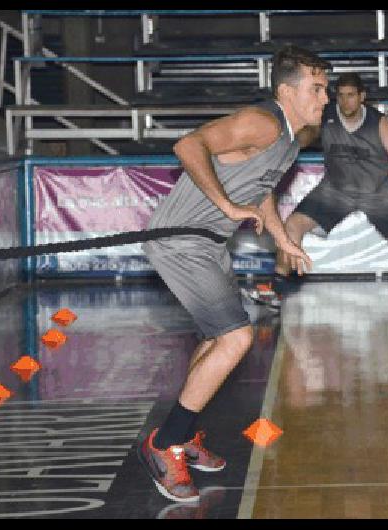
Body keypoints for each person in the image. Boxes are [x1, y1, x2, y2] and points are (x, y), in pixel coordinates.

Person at [138, 45, 330, 502]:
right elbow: (188, 145)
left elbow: (260, 188)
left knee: (215, 338)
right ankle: (164, 445)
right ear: (287, 90)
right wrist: (226, 205)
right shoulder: (263, 122)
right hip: (181, 239)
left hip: (208, 243)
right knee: (236, 338)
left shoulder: (288, 138)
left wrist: (282, 238)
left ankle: (181, 433)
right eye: (316, 89)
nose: (324, 98)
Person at [251, 72, 388, 309]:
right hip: (336, 190)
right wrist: (290, 137)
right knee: (292, 225)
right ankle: (277, 289)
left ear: (362, 96)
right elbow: (306, 135)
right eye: (341, 96)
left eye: (351, 96)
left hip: (376, 190)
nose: (346, 102)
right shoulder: (326, 115)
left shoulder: (378, 121)